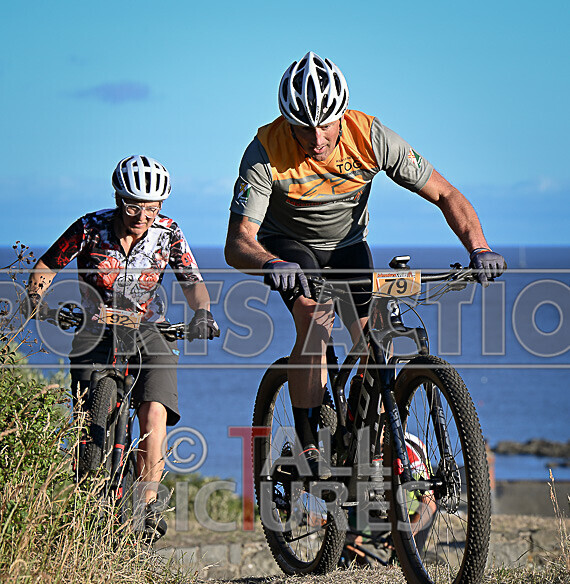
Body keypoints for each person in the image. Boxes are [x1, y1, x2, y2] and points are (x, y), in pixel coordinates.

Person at [224, 51, 506, 478]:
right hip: (288, 247)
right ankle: (309, 447)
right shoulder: (265, 151)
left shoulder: (370, 136)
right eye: (303, 128)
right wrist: (269, 262)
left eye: (325, 124)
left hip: (347, 245)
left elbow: (446, 194)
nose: (316, 138)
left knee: (379, 335)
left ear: (343, 113)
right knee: (314, 317)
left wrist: (479, 248)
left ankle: (367, 434)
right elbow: (238, 242)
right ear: (287, 121)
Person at [26, 154, 219, 540]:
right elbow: (44, 269)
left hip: (149, 329)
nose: (142, 216)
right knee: (87, 421)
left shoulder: (169, 232)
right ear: (118, 199)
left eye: (151, 207)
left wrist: (202, 312)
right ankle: (87, 502)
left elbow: (192, 281)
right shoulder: (89, 228)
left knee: (155, 409)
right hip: (93, 327)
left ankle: (148, 502)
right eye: (133, 206)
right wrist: (40, 303)